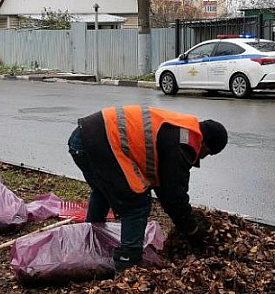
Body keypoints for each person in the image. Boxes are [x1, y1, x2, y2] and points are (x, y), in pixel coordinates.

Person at [68, 105, 228, 271]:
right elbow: (173, 196)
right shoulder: (181, 145)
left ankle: (91, 242)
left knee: (105, 192)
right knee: (136, 202)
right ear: (205, 146)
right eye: (207, 153)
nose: (202, 157)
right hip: (96, 143)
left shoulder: (182, 128)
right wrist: (192, 230)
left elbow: (164, 186)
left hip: (85, 137)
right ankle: (128, 264)